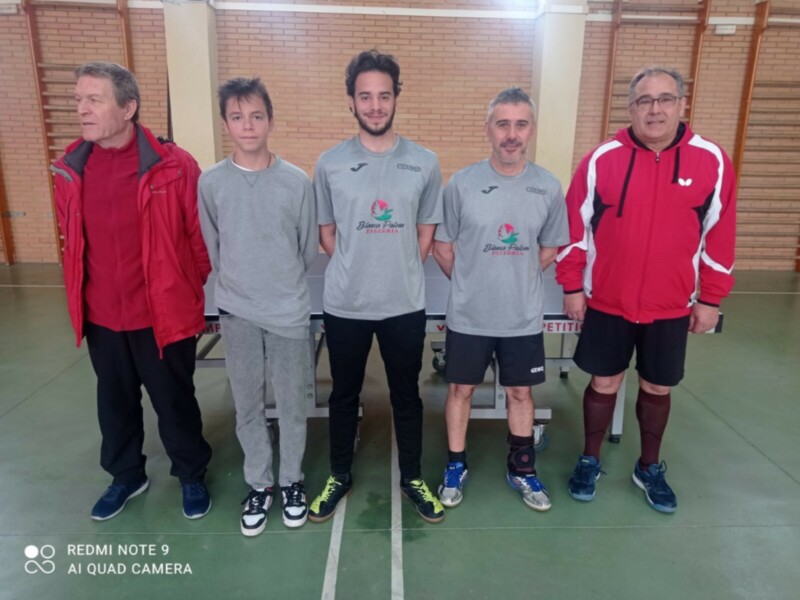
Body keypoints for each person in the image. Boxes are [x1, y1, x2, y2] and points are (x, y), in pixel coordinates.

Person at [556, 66, 736, 513]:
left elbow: (720, 232)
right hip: (608, 300)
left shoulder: (711, 160)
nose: (654, 109)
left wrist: (711, 298)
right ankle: (590, 459)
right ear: (631, 107)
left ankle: (649, 466)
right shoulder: (601, 160)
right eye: (644, 100)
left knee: (657, 387)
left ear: (681, 104)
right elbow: (573, 228)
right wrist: (572, 286)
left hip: (670, 305)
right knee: (604, 380)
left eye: (664, 99)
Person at [51, 62, 213, 521]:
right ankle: (126, 475)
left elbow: (200, 242)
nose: (81, 109)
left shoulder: (175, 166)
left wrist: (181, 289)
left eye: (94, 99)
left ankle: (191, 473)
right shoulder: (71, 165)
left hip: (161, 314)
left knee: (174, 401)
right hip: (101, 313)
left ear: (129, 107)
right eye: (78, 99)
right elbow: (71, 238)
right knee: (114, 400)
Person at [308, 50, 445, 524]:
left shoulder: (425, 163)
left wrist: (398, 267)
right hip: (345, 303)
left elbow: (426, 233)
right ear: (351, 101)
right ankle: (339, 475)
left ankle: (412, 477)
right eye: (365, 96)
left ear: (395, 98)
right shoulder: (329, 164)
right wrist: (357, 265)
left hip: (404, 304)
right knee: (344, 395)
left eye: (383, 95)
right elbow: (327, 234)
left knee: (406, 395)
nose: (375, 105)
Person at [432, 88, 569, 512]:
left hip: (521, 319)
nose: (511, 133)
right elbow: (442, 246)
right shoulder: (462, 185)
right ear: (489, 128)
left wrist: (518, 278)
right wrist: (475, 282)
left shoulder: (547, 187)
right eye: (503, 123)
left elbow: (550, 247)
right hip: (469, 316)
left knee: (521, 395)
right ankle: (456, 465)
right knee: (460, 390)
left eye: (520, 124)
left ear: (531, 129)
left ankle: (522, 468)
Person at [198, 77, 317, 535]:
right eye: (237, 116)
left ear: (270, 120)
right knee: (248, 404)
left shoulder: (295, 181)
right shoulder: (211, 183)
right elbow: (214, 246)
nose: (247, 126)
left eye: (256, 116)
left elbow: (306, 249)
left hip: (288, 311)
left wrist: (279, 284)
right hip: (238, 312)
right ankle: (259, 484)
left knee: (290, 403)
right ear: (226, 122)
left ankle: (290, 481)